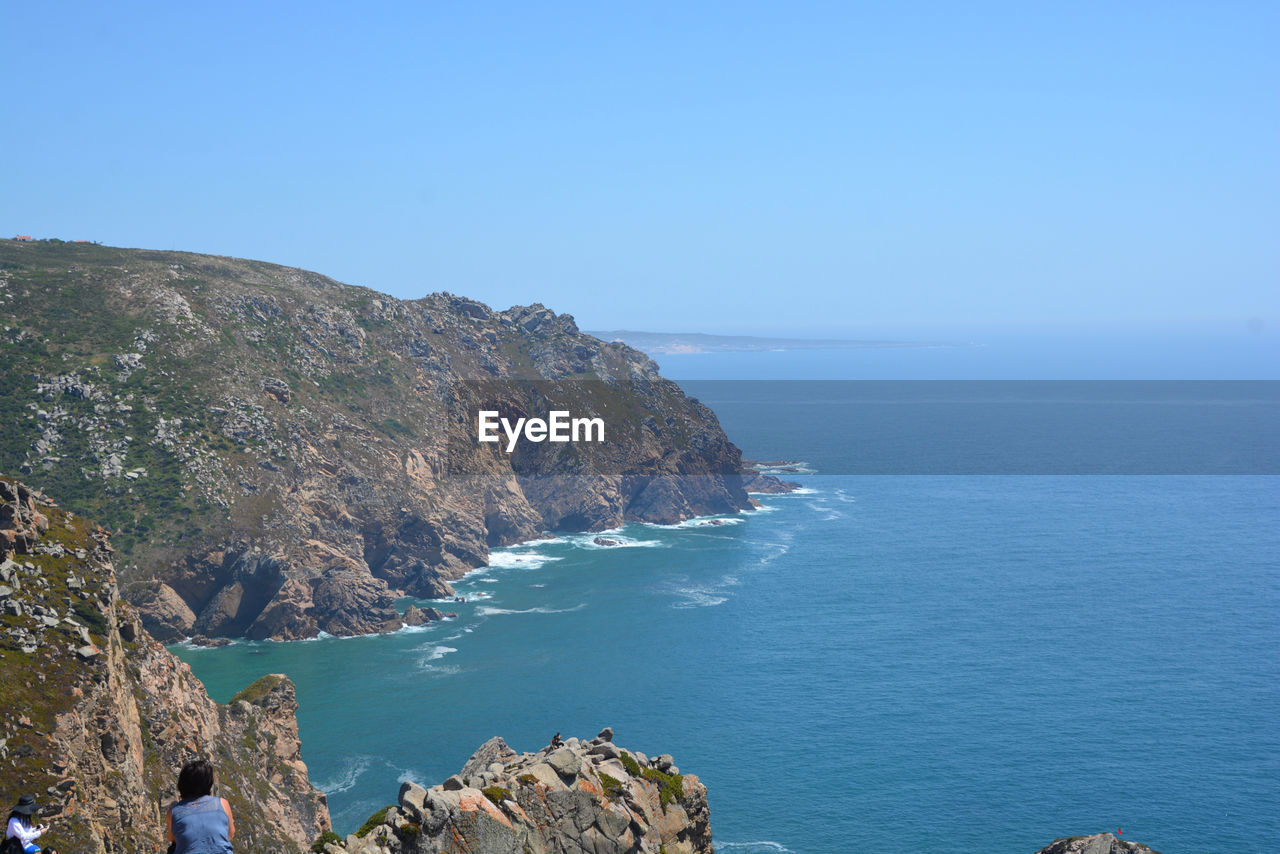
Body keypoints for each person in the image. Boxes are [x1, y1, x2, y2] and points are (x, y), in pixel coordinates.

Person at [167, 759, 235, 854]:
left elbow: (172, 838)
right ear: (209, 783)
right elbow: (230, 834)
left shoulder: (173, 812)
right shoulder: (222, 803)